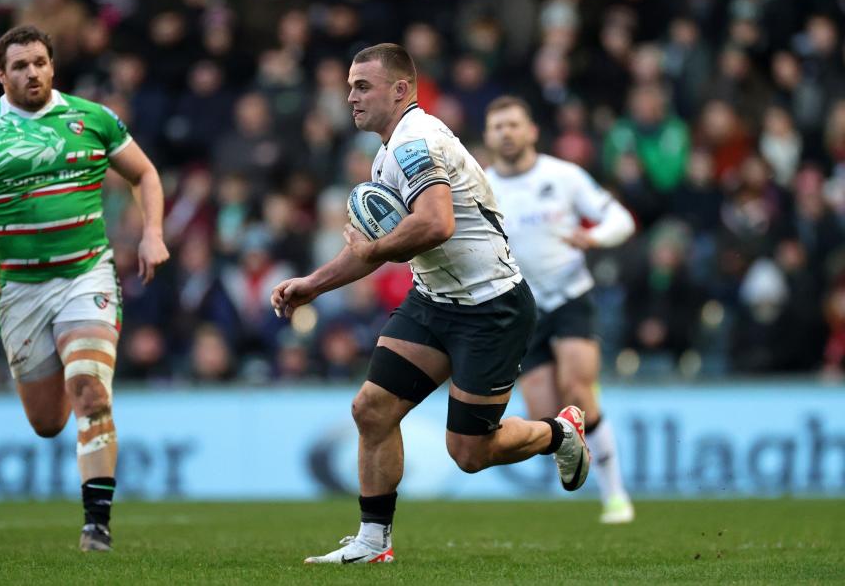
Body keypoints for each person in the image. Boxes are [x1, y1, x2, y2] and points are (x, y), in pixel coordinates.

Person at [270, 44, 591, 565]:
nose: (350, 96)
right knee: (371, 409)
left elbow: (435, 223)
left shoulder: (414, 142)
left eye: (362, 86)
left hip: (491, 308)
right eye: (350, 85)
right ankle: (374, 541)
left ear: (400, 90)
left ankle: (560, 432)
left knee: (469, 453)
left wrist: (371, 249)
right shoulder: (390, 148)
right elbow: (377, 248)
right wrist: (314, 284)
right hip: (434, 300)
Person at [0, 26, 169, 551]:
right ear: (1, 76)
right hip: (19, 288)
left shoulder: (92, 118)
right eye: (19, 66)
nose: (32, 72)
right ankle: (75, 394)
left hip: (87, 273)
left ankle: (96, 526)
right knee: (45, 422)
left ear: (52, 66)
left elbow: (145, 175)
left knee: (89, 386)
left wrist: (152, 233)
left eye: (39, 61)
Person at [483, 95, 636, 523]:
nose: (506, 133)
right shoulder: (482, 187)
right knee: (543, 416)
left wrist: (595, 238)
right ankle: (581, 459)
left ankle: (616, 497)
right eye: (498, 126)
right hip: (522, 308)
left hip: (570, 295)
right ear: (488, 136)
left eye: (513, 124)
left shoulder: (563, 176)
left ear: (531, 131)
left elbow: (620, 219)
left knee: (578, 388)